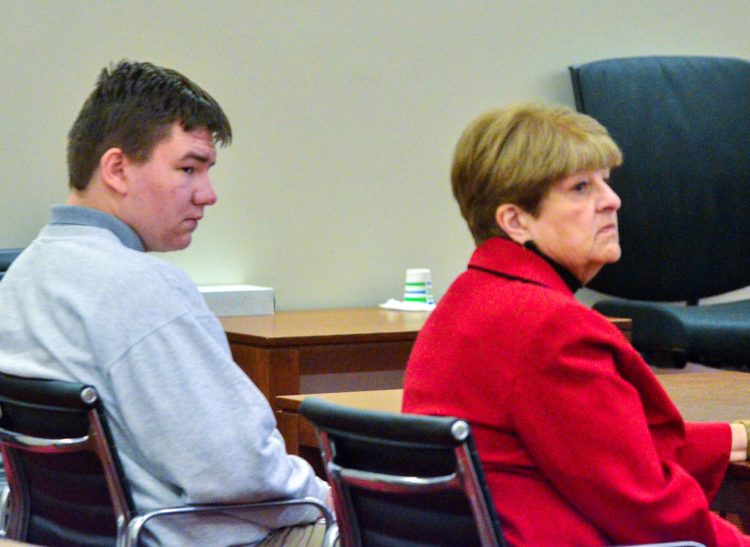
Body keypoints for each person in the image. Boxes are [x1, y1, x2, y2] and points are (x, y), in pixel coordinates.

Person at [0, 61, 330, 546]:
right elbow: (238, 470)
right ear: (116, 169)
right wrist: (326, 492)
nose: (208, 195)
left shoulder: (21, 278)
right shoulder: (145, 289)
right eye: (188, 168)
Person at [401, 103, 750, 546]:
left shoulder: (469, 300)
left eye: (606, 180)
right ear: (515, 221)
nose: (612, 200)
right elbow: (646, 506)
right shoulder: (551, 328)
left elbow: (615, 452)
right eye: (581, 187)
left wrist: (739, 437)